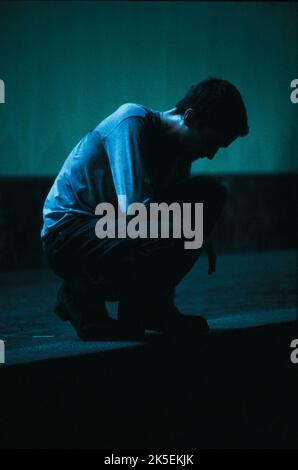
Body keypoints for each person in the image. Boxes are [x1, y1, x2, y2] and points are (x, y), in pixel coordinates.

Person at [41, 77, 249, 340]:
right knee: (173, 226)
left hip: (114, 229)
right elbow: (138, 215)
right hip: (67, 235)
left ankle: (153, 307)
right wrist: (189, 232)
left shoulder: (178, 155)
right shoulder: (132, 121)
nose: (210, 155)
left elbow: (165, 227)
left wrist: (194, 235)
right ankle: (80, 295)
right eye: (210, 143)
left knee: (210, 194)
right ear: (190, 117)